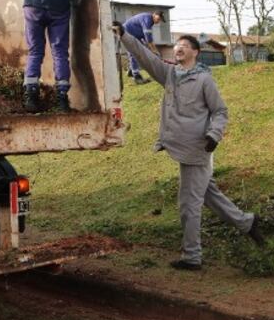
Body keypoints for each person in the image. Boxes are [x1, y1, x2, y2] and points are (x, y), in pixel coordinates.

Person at [112, 23, 265, 270]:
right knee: (208, 194)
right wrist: (125, 36)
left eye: (184, 45)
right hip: (181, 146)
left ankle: (192, 257)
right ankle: (247, 223)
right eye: (176, 46)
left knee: (188, 204)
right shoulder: (170, 74)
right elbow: (146, 57)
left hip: (198, 149)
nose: (178, 48)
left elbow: (220, 111)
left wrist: (214, 135)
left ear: (195, 52)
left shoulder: (204, 79)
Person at [121, 11, 165, 84]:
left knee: (140, 51)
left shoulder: (150, 22)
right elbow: (148, 38)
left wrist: (151, 48)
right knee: (134, 52)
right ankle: (136, 77)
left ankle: (131, 71)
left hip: (135, 36)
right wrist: (155, 51)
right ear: (154, 14)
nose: (159, 21)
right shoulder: (147, 19)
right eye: (158, 18)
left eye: (160, 20)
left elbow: (146, 38)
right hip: (127, 33)